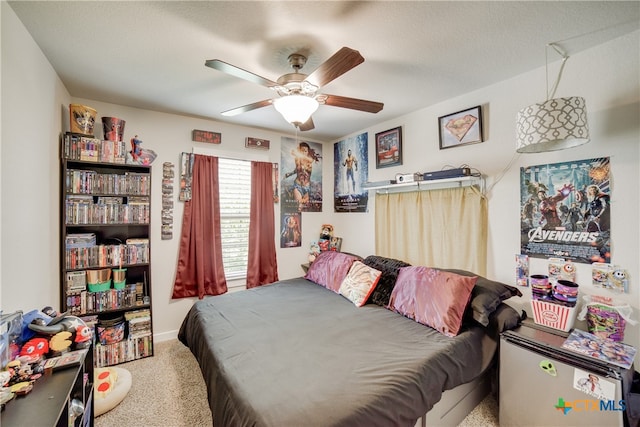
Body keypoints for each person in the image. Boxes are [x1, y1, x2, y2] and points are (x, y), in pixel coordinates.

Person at [283, 142, 319, 211]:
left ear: (308, 152)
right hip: (298, 186)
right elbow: (297, 170)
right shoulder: (297, 160)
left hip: (307, 187)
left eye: (306, 151)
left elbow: (308, 161)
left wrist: (298, 154)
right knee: (299, 206)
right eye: (302, 150)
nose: (304, 152)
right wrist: (289, 174)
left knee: (305, 206)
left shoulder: (310, 161)